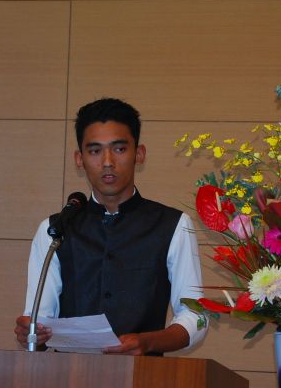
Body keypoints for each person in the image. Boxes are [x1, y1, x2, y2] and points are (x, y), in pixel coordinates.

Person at [14, 98, 206, 355]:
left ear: (139, 154)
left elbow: (196, 316)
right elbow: (40, 318)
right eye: (94, 151)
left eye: (119, 149)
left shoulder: (173, 225)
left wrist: (147, 342)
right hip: (69, 373)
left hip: (144, 372)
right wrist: (33, 332)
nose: (107, 161)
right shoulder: (55, 230)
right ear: (79, 159)